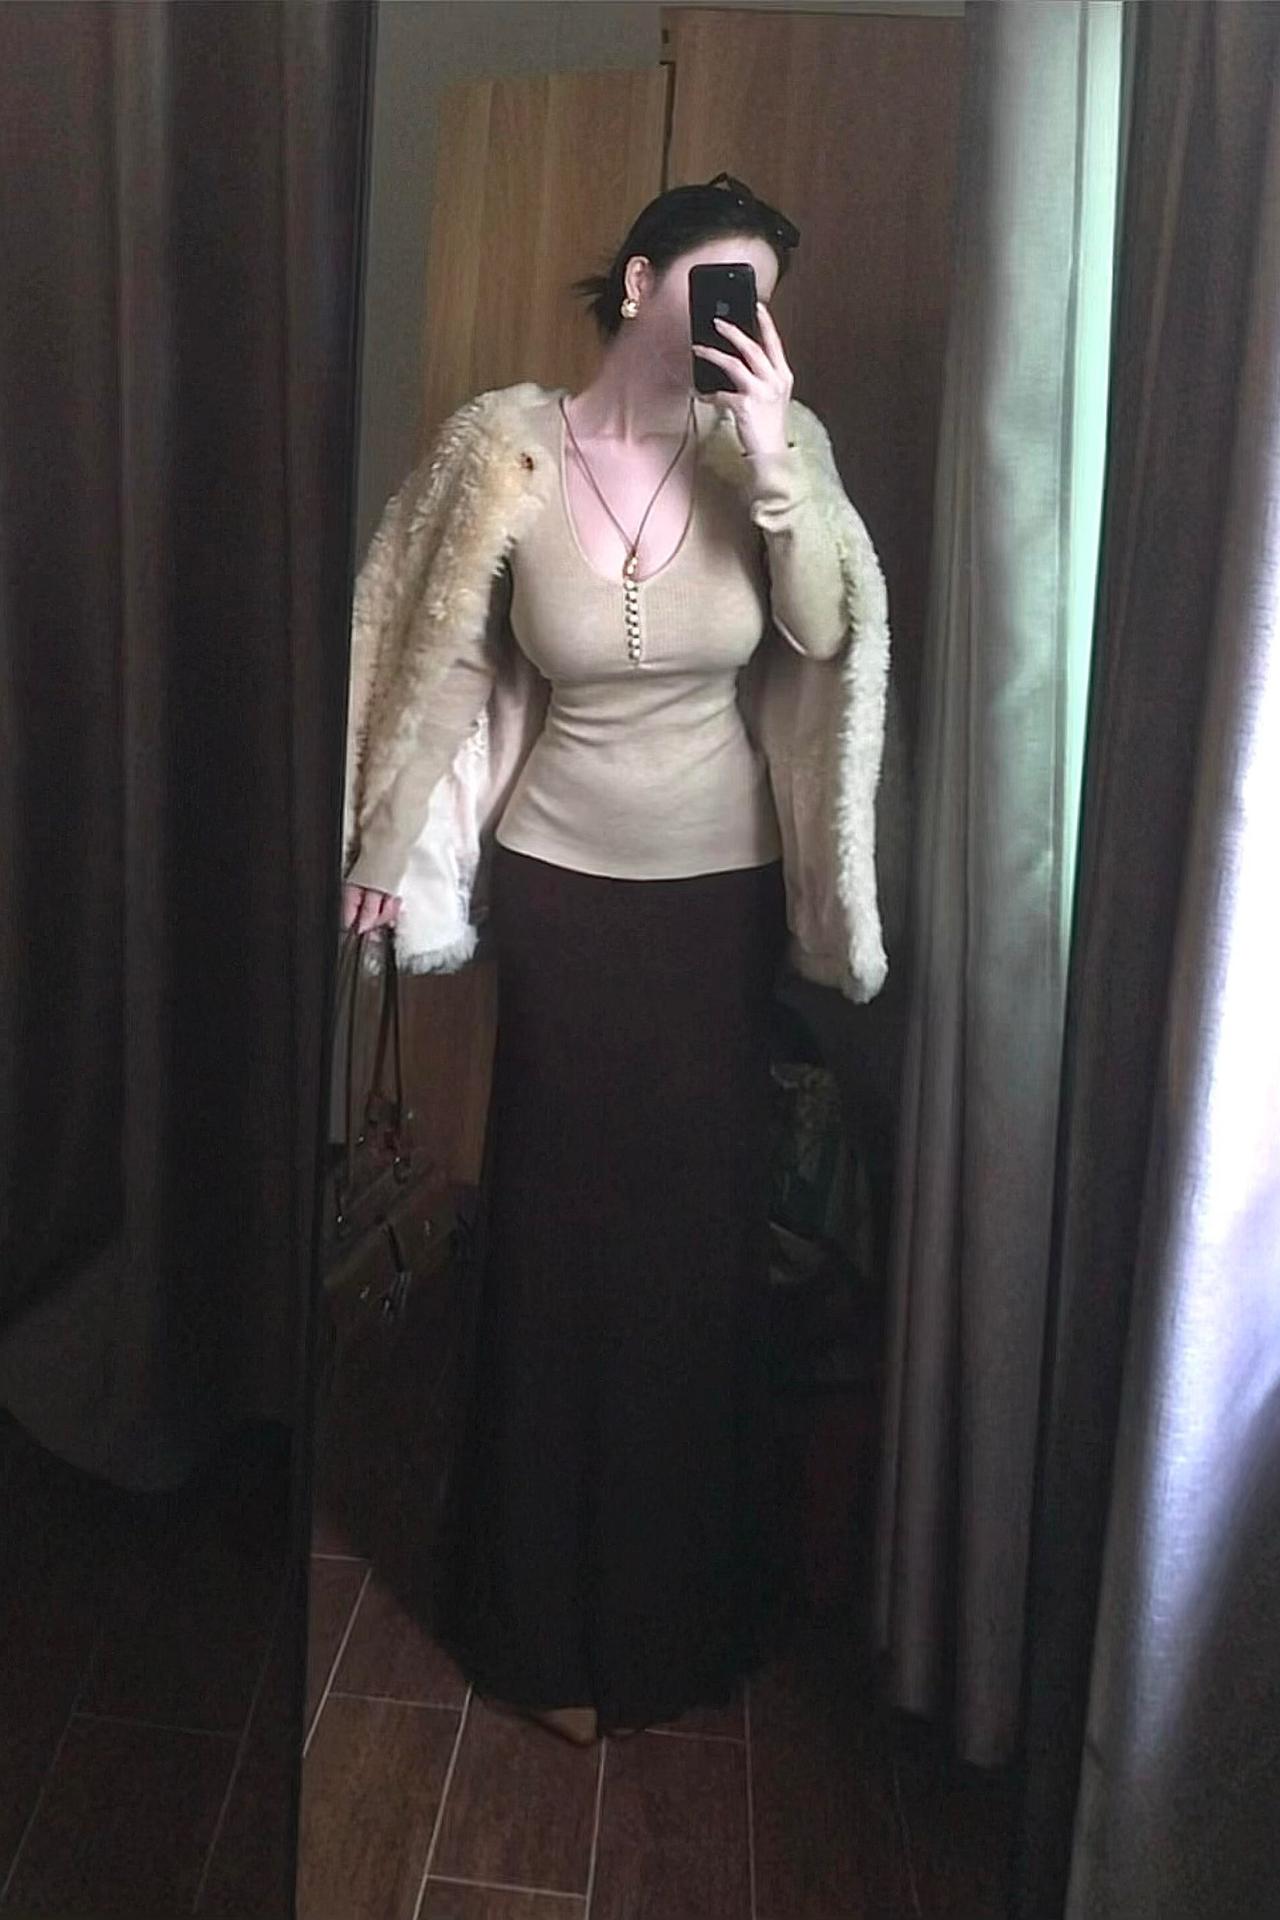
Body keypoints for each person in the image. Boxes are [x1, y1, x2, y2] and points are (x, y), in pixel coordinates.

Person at [340, 173, 891, 1746]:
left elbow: (821, 630)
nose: (743, 317)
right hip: (563, 897)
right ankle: (539, 1627)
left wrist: (774, 461)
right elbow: (445, 661)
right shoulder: (508, 450)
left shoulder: (776, 448)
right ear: (642, 281)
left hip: (717, 901)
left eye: (763, 294)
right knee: (557, 1241)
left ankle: (673, 1620)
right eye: (722, 282)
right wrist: (381, 848)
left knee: (691, 1246)